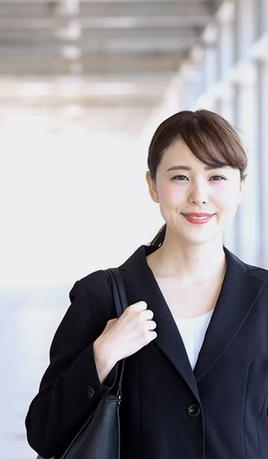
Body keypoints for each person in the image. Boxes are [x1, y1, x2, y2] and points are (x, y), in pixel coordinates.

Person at [25, 109, 268, 459]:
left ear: (241, 186)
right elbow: (43, 432)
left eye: (216, 178)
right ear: (153, 186)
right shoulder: (101, 297)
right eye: (180, 177)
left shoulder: (261, 299)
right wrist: (102, 355)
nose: (199, 196)